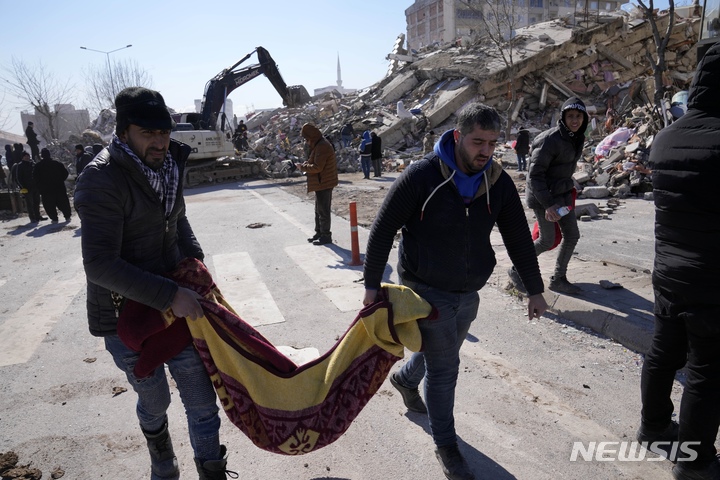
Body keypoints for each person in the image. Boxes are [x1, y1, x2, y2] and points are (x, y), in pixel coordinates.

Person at [362, 102, 548, 480]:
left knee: (439, 352)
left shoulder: (497, 182)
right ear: (459, 136)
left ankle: (405, 379)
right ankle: (446, 444)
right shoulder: (421, 177)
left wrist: (534, 288)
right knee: (446, 369)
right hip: (424, 289)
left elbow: (517, 238)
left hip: (469, 291)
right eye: (478, 141)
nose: (485, 150)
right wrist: (370, 286)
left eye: (493, 143)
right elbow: (383, 229)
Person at [74, 87, 233, 479]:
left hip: (177, 306)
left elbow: (176, 219)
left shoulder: (170, 164)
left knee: (201, 401)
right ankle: (160, 451)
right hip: (123, 317)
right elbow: (98, 264)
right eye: (148, 133)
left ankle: (211, 471)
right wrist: (168, 294)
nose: (160, 142)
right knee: (156, 399)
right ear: (124, 132)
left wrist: (195, 267)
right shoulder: (100, 179)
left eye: (163, 132)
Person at [637, 43, 720, 480]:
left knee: (663, 350)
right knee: (707, 369)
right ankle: (693, 461)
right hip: (713, 281)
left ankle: (651, 428)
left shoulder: (666, 138)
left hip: (668, 270)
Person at [510, 97, 588, 296]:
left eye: (578, 116)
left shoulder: (577, 137)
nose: (575, 120)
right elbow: (535, 176)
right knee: (546, 240)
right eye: (570, 116)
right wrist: (549, 205)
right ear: (563, 117)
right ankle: (516, 270)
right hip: (542, 196)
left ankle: (558, 279)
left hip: (562, 194)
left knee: (572, 235)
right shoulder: (550, 140)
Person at [296, 122, 338, 246]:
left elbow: (317, 167)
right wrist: (305, 164)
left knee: (323, 210)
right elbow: (313, 161)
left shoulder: (322, 146)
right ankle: (319, 232)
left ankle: (326, 236)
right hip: (321, 182)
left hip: (324, 182)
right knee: (318, 210)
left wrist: (303, 167)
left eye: (307, 139)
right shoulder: (318, 145)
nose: (307, 142)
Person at [34, 147, 72, 223]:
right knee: (63, 202)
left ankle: (54, 218)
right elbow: (65, 173)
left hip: (46, 189)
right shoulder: (57, 163)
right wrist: (61, 180)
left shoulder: (38, 166)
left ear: (42, 156)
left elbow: (35, 178)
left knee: (49, 205)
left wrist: (40, 188)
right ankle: (67, 216)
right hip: (59, 187)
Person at [16, 152, 46, 223]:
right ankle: (32, 217)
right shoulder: (20, 166)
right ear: (22, 157)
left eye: (28, 156)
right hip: (26, 188)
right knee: (29, 203)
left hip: (35, 186)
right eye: (25, 156)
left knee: (37, 202)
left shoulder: (32, 164)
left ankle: (38, 216)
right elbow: (18, 178)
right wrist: (22, 187)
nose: (27, 157)